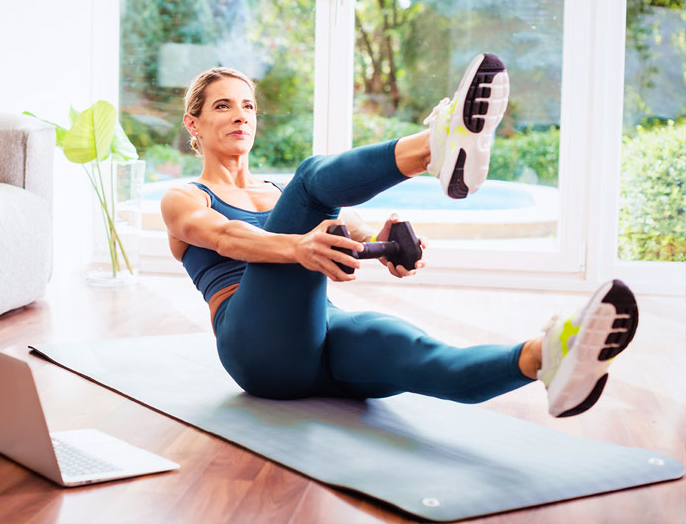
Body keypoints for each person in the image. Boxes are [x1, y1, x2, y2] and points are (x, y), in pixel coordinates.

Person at [161, 55, 638, 417]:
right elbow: (227, 238)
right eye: (223, 106)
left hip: (322, 330)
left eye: (248, 105)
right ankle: (434, 146)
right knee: (312, 179)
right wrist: (299, 247)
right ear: (193, 123)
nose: (240, 115)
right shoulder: (185, 197)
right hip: (256, 348)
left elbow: (354, 227)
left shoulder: (278, 194)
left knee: (421, 354)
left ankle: (544, 357)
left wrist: (384, 242)